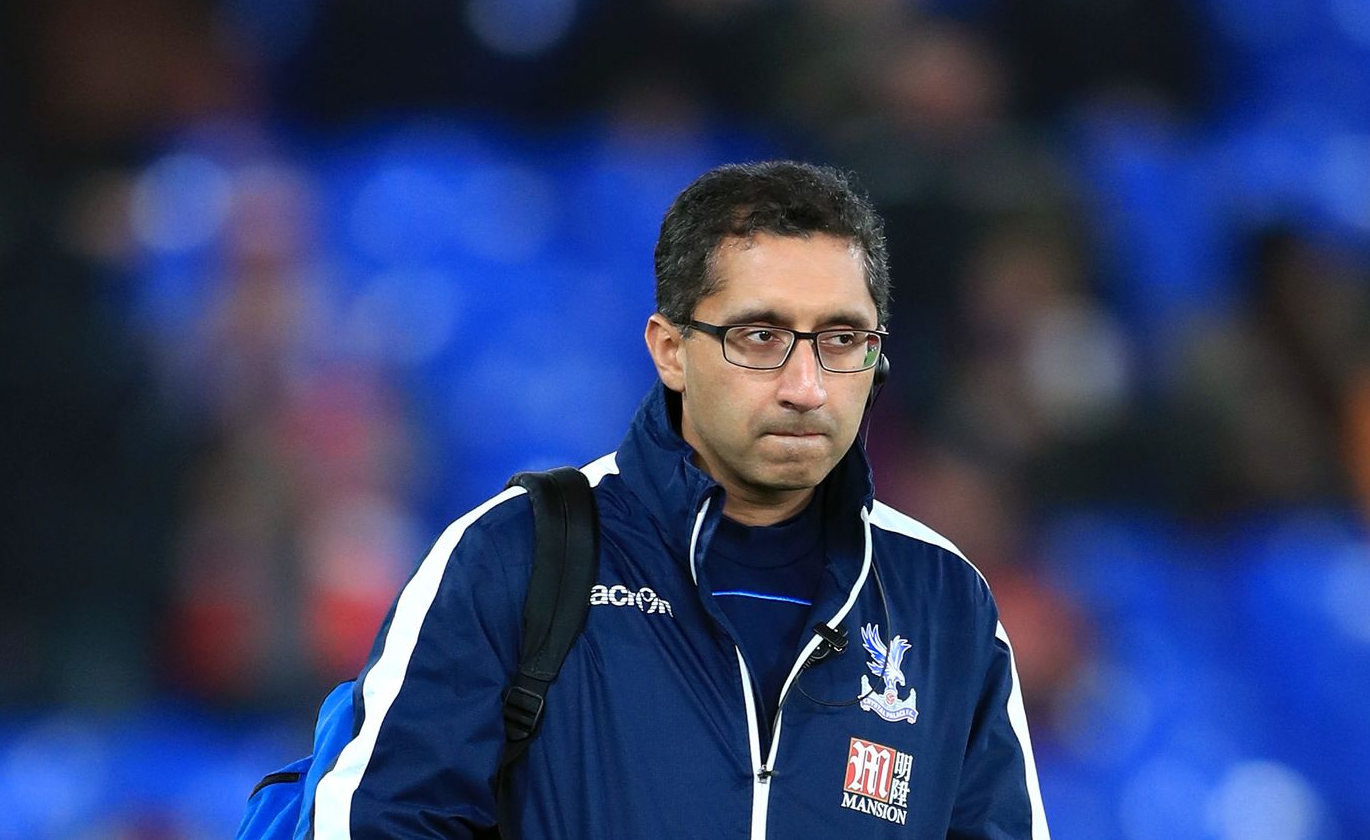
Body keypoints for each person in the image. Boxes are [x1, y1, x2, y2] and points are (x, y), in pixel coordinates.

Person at [308, 162, 1048, 837]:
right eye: (760, 336)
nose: (807, 387)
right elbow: (380, 824)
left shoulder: (943, 599)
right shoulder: (517, 555)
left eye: (842, 338)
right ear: (670, 350)